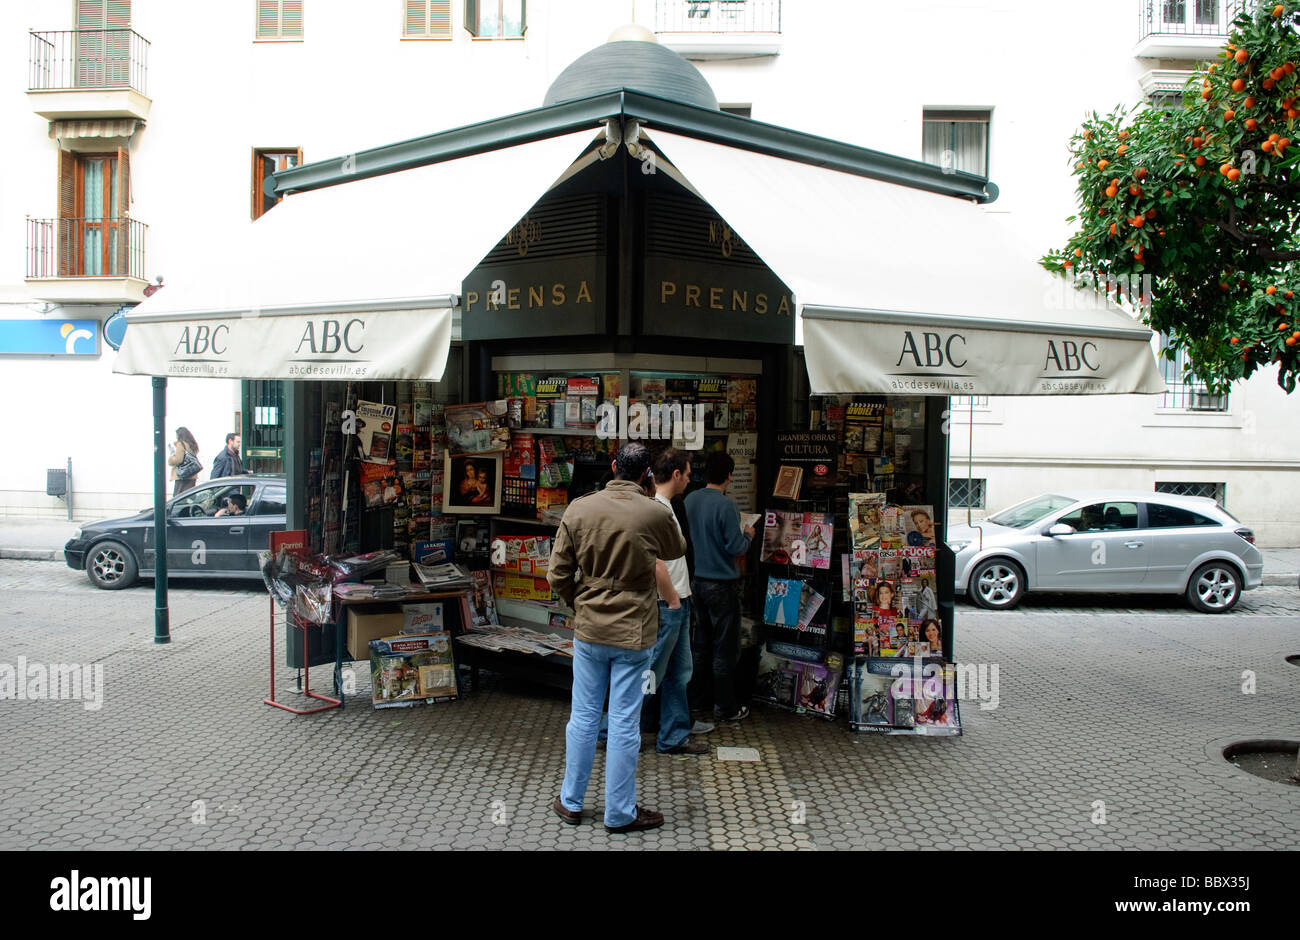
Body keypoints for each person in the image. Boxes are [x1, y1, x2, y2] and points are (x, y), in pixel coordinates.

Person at [549, 442, 686, 834]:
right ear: (647, 475)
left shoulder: (579, 508)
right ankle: (620, 813)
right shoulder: (653, 511)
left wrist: (581, 602)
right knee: (625, 721)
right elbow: (676, 548)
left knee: (584, 716)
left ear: (613, 467)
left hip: (590, 629)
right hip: (634, 632)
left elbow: (557, 575)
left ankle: (571, 802)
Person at [640, 448, 710, 755]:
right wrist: (671, 600)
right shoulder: (657, 509)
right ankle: (610, 729)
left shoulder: (669, 506)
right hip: (669, 605)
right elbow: (655, 562)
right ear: (677, 474)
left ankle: (673, 735)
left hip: (679, 601)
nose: (691, 477)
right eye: (688, 472)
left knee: (678, 672)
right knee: (651, 672)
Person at [684, 450, 754, 723]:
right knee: (725, 648)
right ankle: (725, 707)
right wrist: (748, 535)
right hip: (721, 585)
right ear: (729, 476)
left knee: (699, 646)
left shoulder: (690, 499)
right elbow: (734, 546)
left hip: (694, 582)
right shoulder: (726, 506)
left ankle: (696, 701)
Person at [166, 427, 201, 497]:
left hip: (182, 476)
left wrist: (171, 458)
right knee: (189, 497)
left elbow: (178, 459)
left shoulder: (181, 444)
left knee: (178, 498)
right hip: (192, 475)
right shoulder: (192, 445)